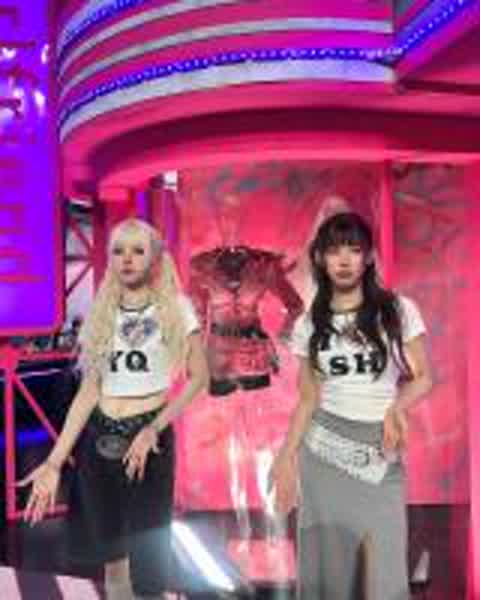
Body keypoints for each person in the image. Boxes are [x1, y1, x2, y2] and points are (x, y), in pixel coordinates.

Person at [18, 218, 208, 600]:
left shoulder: (176, 309)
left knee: (148, 564)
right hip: (100, 439)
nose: (127, 259)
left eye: (138, 250)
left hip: (148, 440)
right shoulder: (102, 312)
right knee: (113, 559)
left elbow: (199, 378)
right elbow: (89, 392)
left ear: (154, 258)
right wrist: (54, 462)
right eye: (119, 251)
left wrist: (155, 427)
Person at [269, 212, 432, 600]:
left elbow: (423, 377)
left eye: (353, 250)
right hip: (323, 453)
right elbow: (307, 399)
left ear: (369, 257)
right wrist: (285, 457)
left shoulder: (397, 311)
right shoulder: (309, 324)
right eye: (333, 251)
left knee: (385, 572)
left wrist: (396, 408)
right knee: (329, 573)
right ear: (321, 259)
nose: (343, 260)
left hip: (380, 451)